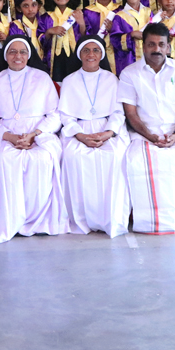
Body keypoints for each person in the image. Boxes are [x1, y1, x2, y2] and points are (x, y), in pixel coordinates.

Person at [118, 24, 175, 233]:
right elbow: (131, 114)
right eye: (151, 44)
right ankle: (148, 221)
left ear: (168, 46)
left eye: (161, 44)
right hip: (143, 134)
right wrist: (150, 136)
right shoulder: (129, 73)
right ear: (143, 46)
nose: (156, 49)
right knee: (136, 163)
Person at [0, 35, 67, 244]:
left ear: (29, 55)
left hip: (39, 135)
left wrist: (34, 134)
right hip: (7, 136)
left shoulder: (42, 78)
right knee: (5, 160)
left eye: (22, 52)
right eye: (12, 51)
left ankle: (39, 221)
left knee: (43, 160)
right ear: (5, 55)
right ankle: (13, 220)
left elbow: (55, 115)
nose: (17, 56)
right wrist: (10, 137)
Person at [58, 37, 130, 237]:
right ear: (79, 54)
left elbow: (118, 112)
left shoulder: (111, 79)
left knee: (115, 156)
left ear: (102, 54)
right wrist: (80, 135)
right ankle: (82, 220)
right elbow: (65, 115)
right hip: (79, 130)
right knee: (73, 157)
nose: (91, 54)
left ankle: (111, 219)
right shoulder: (70, 80)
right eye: (86, 50)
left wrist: (108, 133)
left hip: (107, 128)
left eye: (96, 50)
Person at [41, 0, 86, 82]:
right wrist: (49, 32)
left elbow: (86, 37)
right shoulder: (46, 17)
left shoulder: (78, 14)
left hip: (74, 56)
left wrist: (81, 24)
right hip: (54, 59)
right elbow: (40, 41)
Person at [110, 0, 153, 74]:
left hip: (149, 59)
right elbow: (115, 40)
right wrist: (132, 35)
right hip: (128, 61)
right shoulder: (119, 16)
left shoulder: (148, 12)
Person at [8, 0, 50, 64]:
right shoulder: (16, 26)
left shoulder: (44, 23)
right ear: (19, 8)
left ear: (39, 6)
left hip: (44, 64)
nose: (30, 9)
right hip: (24, 63)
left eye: (34, 5)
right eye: (25, 6)